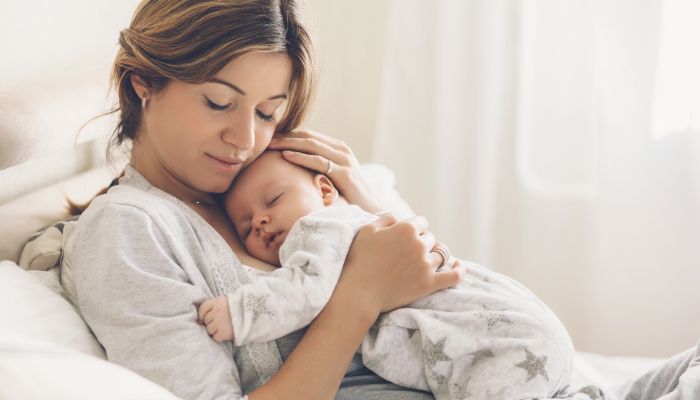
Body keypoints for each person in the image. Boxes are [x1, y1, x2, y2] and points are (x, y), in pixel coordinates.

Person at [59, 1, 463, 399]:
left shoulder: (278, 182)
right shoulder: (127, 228)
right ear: (143, 80)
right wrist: (359, 296)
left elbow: (441, 293)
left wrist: (366, 203)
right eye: (218, 103)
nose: (245, 141)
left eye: (267, 113)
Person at [198, 150, 577, 400]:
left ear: (326, 190)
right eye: (246, 226)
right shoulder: (364, 225)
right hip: (524, 335)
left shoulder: (318, 229)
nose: (260, 220)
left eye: (273, 200)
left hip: (494, 344)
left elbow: (301, 292)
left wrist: (239, 313)